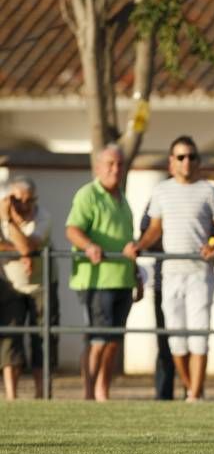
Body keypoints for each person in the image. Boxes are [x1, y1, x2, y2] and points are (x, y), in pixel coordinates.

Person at [127, 136, 214, 402]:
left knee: (199, 336)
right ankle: (194, 391)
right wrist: (138, 245)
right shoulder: (161, 191)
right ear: (172, 161)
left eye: (192, 156)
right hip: (170, 273)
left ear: (198, 161)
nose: (187, 162)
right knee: (176, 339)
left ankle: (194, 395)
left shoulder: (210, 191)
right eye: (181, 157)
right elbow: (154, 229)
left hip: (199, 272)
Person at [66, 144, 140, 401]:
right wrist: (89, 246)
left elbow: (128, 240)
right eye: (110, 163)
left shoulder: (123, 199)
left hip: (122, 279)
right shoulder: (88, 194)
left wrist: (136, 274)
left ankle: (102, 392)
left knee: (112, 342)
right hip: (96, 281)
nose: (115, 169)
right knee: (98, 339)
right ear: (98, 167)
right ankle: (88, 394)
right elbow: (72, 229)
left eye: (119, 164)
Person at [0, 176, 58, 399]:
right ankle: (12, 397)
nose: (23, 205)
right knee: (10, 339)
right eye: (17, 199)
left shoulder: (44, 218)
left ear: (35, 199)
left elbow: (27, 247)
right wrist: (18, 248)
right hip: (10, 285)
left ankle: (42, 395)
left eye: (28, 200)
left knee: (43, 340)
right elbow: (22, 249)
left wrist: (9, 220)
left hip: (42, 285)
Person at [139, 204, 174, 400]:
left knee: (194, 342)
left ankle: (193, 393)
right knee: (165, 342)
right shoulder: (160, 196)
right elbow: (145, 234)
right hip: (164, 282)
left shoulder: (203, 191)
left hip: (195, 278)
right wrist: (172, 244)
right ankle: (163, 395)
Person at [0, 187, 32, 400]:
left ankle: (11, 397)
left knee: (10, 339)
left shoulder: (9, 221)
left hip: (6, 287)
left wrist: (7, 218)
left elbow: (25, 248)